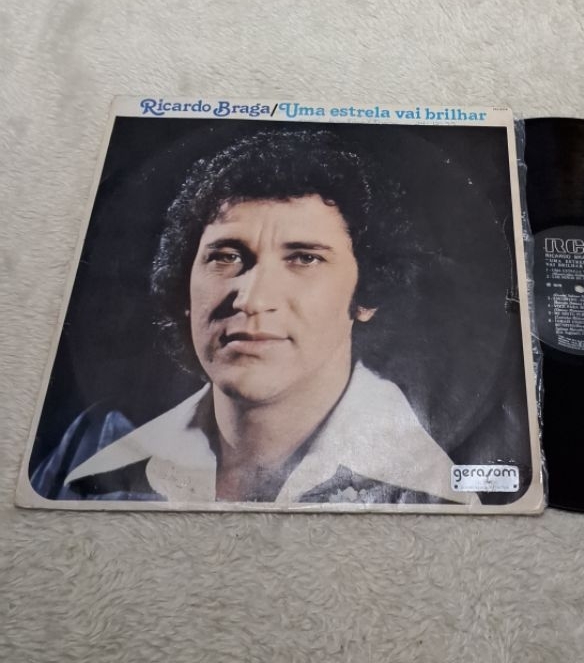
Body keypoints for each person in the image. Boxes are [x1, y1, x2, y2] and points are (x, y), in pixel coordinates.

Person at [31, 129, 474, 506]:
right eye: (225, 256)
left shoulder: (435, 494)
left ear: (365, 295)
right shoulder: (85, 458)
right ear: (185, 284)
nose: (252, 298)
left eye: (304, 258)